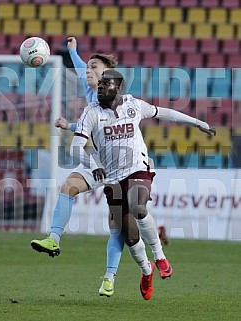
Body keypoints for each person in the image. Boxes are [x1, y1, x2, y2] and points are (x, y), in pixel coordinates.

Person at [31, 38, 172, 298]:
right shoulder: (93, 97)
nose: (87, 72)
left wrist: (75, 54)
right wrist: (72, 52)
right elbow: (90, 127)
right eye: (86, 70)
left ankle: (111, 276)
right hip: (95, 162)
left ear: (107, 74)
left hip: (122, 167)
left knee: (119, 226)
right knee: (68, 186)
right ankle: (54, 238)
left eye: (93, 69)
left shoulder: (118, 99)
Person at [70, 70, 216, 299]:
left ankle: (159, 256)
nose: (100, 87)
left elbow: (165, 113)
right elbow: (76, 147)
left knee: (138, 206)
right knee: (129, 236)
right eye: (99, 84)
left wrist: (197, 122)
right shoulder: (91, 112)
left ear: (118, 88)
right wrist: (94, 163)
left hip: (138, 168)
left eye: (106, 84)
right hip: (112, 178)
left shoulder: (134, 105)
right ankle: (146, 270)